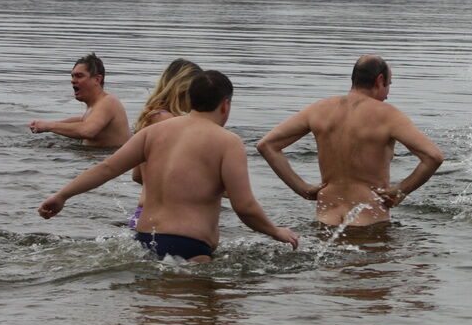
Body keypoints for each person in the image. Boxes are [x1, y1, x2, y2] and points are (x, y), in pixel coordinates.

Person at [38, 70, 299, 262]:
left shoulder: (154, 132)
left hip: (143, 239)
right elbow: (245, 207)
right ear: (225, 104)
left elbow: (106, 169)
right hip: (190, 246)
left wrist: (62, 195)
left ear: (189, 100)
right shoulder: (228, 142)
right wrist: (276, 232)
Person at [257, 55, 444, 227]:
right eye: (389, 85)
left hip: (325, 222)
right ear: (379, 80)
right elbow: (433, 157)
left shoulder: (318, 109)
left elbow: (267, 145)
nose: (387, 94)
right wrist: (400, 191)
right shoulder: (388, 115)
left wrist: (303, 188)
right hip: (370, 222)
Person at [128, 58, 204, 229]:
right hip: (162, 221)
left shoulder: (150, 117)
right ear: (183, 88)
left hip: (142, 216)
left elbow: (137, 175)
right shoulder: (168, 121)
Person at [29, 53, 131, 148]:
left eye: (79, 76)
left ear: (97, 79)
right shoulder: (96, 105)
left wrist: (49, 126)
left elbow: (87, 131)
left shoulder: (109, 102)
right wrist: (46, 124)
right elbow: (83, 120)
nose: (72, 80)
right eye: (72, 76)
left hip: (105, 160)